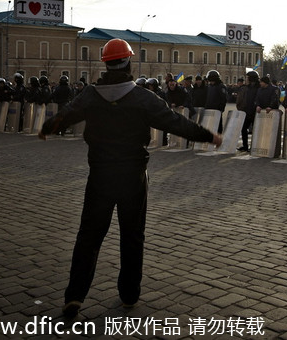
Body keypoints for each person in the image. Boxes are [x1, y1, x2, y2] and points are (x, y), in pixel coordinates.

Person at [38, 38, 222, 319]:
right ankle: (128, 295)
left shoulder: (90, 95)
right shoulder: (143, 98)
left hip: (99, 174)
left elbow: (66, 115)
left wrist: (47, 128)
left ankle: (74, 295)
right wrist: (208, 135)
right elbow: (175, 123)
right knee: (132, 236)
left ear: (106, 63)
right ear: (128, 62)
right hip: (133, 176)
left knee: (88, 236)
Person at [236, 71, 260, 152]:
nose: (247, 79)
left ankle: (255, 146)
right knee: (243, 129)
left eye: (248, 77)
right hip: (247, 110)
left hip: (255, 111)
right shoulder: (247, 87)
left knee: (255, 130)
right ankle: (245, 145)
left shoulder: (258, 87)